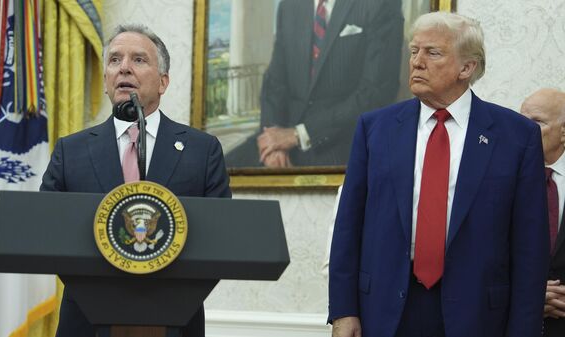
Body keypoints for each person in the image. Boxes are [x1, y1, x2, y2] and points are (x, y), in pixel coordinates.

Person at [328, 11, 549, 337]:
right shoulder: (375, 129)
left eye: (432, 52)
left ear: (467, 68)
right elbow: (348, 228)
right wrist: (344, 312)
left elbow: (530, 249)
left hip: (478, 316)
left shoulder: (516, 136)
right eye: (414, 51)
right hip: (386, 311)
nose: (417, 62)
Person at [40, 24, 231, 337]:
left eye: (139, 60)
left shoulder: (202, 150)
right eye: (115, 60)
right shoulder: (70, 150)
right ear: (106, 80)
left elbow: (221, 239)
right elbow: (46, 229)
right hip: (86, 323)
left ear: (163, 82)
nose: (124, 67)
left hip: (174, 323)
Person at [225, 0, 404, 167]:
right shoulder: (291, 6)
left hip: (339, 141)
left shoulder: (381, 4)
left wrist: (299, 134)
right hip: (283, 135)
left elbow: (376, 93)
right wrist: (273, 140)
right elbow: (274, 83)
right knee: (215, 171)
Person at [521, 88, 565, 337]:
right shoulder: (499, 178)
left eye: (537, 122)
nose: (524, 129)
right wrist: (531, 295)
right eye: (521, 120)